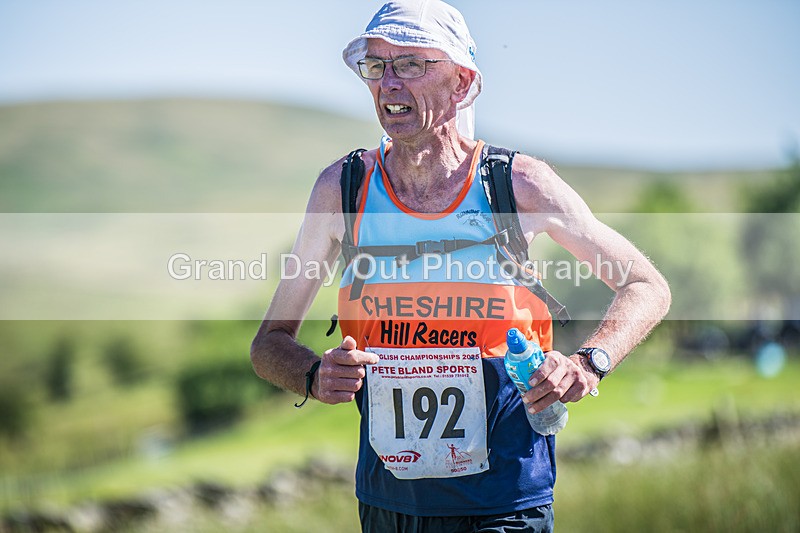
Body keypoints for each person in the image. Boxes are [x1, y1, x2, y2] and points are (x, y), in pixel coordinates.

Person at [250, 1, 671, 531]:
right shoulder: (344, 188)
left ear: (460, 81)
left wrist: (588, 363)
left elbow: (646, 284)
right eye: (376, 66)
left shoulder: (516, 185)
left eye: (409, 64)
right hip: (388, 504)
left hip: (504, 502)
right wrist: (313, 374)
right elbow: (268, 344)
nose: (388, 84)